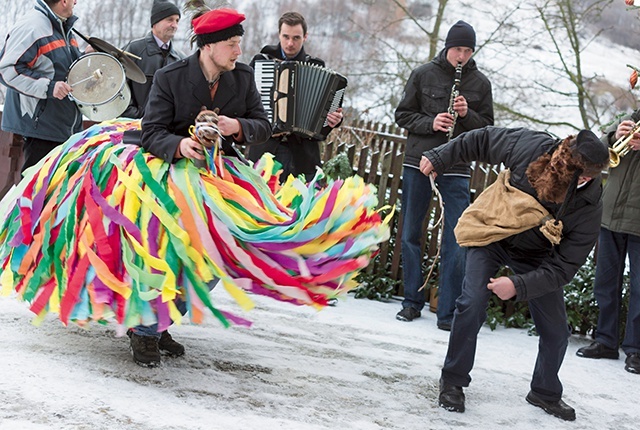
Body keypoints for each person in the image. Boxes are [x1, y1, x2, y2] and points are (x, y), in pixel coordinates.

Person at [419, 126, 609, 421]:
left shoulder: (589, 203)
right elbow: (480, 139)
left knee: (558, 331)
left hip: (537, 255)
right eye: (579, 173)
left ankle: (544, 392)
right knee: (471, 303)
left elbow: (565, 266)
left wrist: (519, 285)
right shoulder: (531, 146)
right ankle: (453, 380)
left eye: (589, 176)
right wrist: (440, 156)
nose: (584, 180)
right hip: (492, 235)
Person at [131, 7, 272, 367]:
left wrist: (235, 126)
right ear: (209, 46)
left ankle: (162, 320)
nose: (239, 51)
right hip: (170, 177)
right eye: (232, 44)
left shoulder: (242, 77)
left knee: (214, 257)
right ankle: (145, 330)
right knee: (165, 253)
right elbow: (151, 133)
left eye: (239, 43)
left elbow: (262, 125)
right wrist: (180, 146)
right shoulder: (169, 76)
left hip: (221, 180)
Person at [394, 20, 493, 330]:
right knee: (411, 232)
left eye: (466, 50)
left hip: (457, 166)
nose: (461, 56)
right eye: (456, 49)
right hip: (419, 161)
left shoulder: (480, 83)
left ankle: (447, 311)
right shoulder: (423, 74)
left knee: (457, 237)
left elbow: (487, 128)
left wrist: (467, 115)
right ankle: (411, 302)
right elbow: (402, 115)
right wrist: (430, 122)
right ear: (447, 48)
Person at [575, 111, 640, 375]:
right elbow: (597, 152)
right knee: (605, 280)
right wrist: (615, 135)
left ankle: (635, 349)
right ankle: (605, 340)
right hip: (610, 212)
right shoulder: (632, 117)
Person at [246, 11, 343, 183]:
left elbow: (324, 121)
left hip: (302, 155)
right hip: (265, 150)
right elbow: (245, 102)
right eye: (286, 36)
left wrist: (333, 120)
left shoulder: (316, 66)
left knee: (298, 207)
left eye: (296, 38)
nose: (290, 43)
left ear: (305, 37)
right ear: (279, 35)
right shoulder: (262, 61)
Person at [0, 0, 83, 173]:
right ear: (64, 1)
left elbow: (59, 67)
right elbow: (7, 70)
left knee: (58, 194)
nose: (76, 2)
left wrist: (86, 57)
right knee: (36, 194)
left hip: (63, 128)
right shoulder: (32, 27)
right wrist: (49, 87)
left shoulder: (62, 27)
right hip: (41, 129)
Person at [120, 0, 183, 119]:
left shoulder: (180, 58)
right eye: (170, 19)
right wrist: (136, 114)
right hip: (134, 125)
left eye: (177, 20)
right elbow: (118, 85)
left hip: (167, 129)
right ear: (155, 23)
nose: (174, 25)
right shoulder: (134, 49)